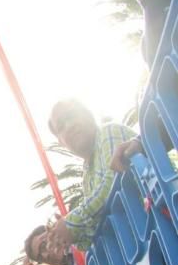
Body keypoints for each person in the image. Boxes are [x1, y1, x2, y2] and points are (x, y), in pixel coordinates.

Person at [44, 99, 137, 255]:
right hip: (141, 249)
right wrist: (68, 236)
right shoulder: (87, 176)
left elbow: (115, 181)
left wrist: (71, 223)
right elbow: (98, 227)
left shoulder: (108, 132)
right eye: (61, 126)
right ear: (61, 142)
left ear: (88, 114)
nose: (69, 125)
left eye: (71, 115)